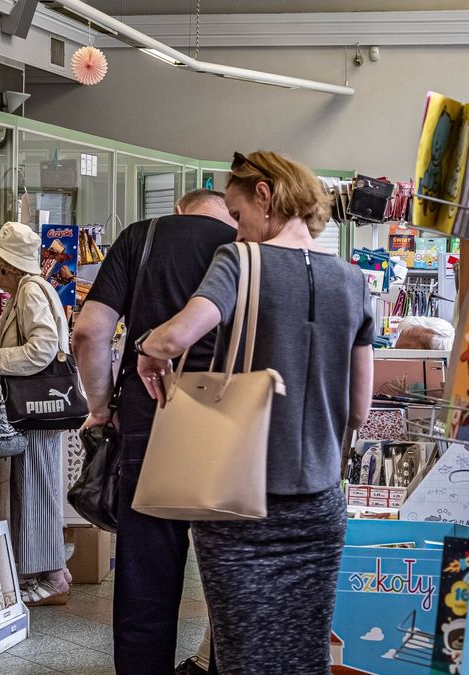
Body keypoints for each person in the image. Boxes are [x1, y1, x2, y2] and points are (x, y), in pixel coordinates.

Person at [135, 151, 374, 674]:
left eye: (240, 215)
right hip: (319, 503)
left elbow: (177, 335)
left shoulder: (238, 262)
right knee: (306, 654)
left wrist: (148, 347)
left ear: (265, 195)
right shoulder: (354, 281)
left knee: (243, 655)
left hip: (239, 499)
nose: (239, 230)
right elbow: (360, 407)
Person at [73, 189, 238, 675]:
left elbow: (89, 332)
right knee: (231, 569)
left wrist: (101, 407)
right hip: (230, 420)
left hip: (151, 415)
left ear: (179, 209)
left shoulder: (141, 238)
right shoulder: (245, 248)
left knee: (146, 574)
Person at [0, 221, 72, 606]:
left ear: (8, 265)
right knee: (39, 485)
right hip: (44, 405)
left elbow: (41, 349)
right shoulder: (36, 289)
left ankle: (51, 574)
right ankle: (51, 570)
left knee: (36, 488)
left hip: (37, 405)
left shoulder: (30, 291)